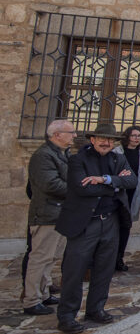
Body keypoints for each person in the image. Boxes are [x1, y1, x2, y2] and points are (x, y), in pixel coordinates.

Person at [56, 123, 137, 334]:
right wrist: (114, 185)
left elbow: (132, 180)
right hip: (86, 222)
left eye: (110, 139)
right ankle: (66, 316)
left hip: (110, 221)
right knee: (75, 271)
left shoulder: (117, 158)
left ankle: (96, 309)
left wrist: (104, 179)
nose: (106, 142)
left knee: (104, 268)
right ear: (92, 139)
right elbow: (82, 187)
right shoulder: (78, 160)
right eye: (102, 138)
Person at [22, 119, 73, 316]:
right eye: (70, 132)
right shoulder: (43, 155)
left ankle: (43, 293)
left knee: (52, 257)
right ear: (57, 134)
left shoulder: (61, 154)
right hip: (47, 214)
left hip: (59, 214)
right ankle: (31, 300)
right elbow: (50, 185)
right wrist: (77, 191)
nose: (74, 135)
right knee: (40, 258)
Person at [113, 125, 140, 272]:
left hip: (134, 193)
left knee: (126, 227)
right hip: (118, 193)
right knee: (114, 227)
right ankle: (111, 258)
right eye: (133, 135)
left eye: (139, 136)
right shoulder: (117, 152)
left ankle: (119, 257)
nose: (136, 138)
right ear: (127, 137)